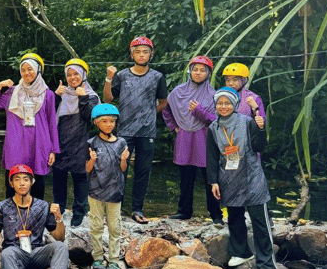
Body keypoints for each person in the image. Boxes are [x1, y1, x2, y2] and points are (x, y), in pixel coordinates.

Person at [208, 87, 277, 269]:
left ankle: (266, 262)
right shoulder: (213, 128)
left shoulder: (247, 122)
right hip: (228, 177)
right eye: (220, 103)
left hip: (251, 175)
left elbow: (259, 146)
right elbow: (212, 157)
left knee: (259, 220)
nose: (224, 106)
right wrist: (213, 181)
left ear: (235, 104)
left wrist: (261, 128)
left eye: (228, 103)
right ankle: (241, 252)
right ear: (216, 105)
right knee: (235, 217)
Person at [103, 36, 168, 224]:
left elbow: (163, 102)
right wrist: (109, 78)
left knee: (143, 171)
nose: (141, 55)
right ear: (132, 54)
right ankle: (116, 209)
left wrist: (147, 114)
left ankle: (137, 209)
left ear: (151, 54)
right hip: (124, 131)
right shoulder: (122, 75)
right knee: (119, 170)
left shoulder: (157, 77)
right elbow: (108, 99)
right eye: (137, 51)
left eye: (145, 51)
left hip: (147, 132)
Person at [0, 53, 59, 200]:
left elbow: (52, 122)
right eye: (23, 70)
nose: (26, 73)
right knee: (13, 178)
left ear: (38, 70)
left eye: (30, 69)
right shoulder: (12, 92)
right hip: (15, 143)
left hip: (39, 144)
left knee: (37, 181)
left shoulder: (48, 94)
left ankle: (35, 214)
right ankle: (11, 214)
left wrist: (53, 150)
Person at [162, 56, 223, 226]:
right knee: (186, 176)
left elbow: (216, 120)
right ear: (190, 71)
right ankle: (184, 211)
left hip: (205, 137)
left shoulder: (214, 94)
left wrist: (199, 111)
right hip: (184, 137)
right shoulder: (178, 91)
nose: (198, 73)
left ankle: (216, 214)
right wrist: (173, 126)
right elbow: (166, 108)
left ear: (208, 73)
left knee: (210, 176)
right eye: (195, 69)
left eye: (202, 70)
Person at [52, 58, 99, 227]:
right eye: (69, 74)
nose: (72, 77)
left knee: (80, 177)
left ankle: (79, 212)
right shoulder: (61, 94)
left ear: (83, 75)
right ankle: (59, 209)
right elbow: (49, 116)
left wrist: (83, 98)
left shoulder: (91, 96)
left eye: (76, 74)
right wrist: (56, 96)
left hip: (81, 141)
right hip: (61, 140)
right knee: (58, 176)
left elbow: (92, 117)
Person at [85, 104, 130, 269]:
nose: (109, 124)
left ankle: (113, 259)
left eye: (112, 121)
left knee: (114, 227)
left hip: (115, 191)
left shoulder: (121, 143)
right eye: (104, 121)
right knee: (96, 226)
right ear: (96, 123)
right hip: (95, 191)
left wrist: (124, 160)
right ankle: (97, 257)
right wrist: (91, 160)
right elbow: (87, 170)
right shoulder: (91, 143)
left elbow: (123, 169)